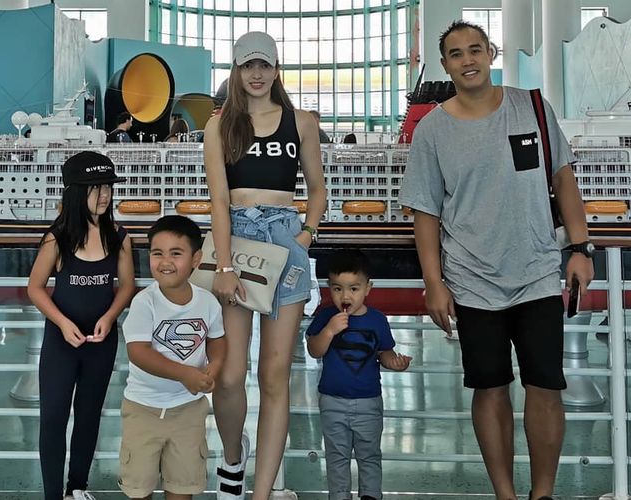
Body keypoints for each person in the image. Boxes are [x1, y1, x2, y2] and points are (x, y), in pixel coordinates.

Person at [398, 21, 594, 500]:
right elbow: (425, 212)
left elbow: (563, 178)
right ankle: (504, 494)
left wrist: (579, 248)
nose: (468, 60)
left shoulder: (532, 108)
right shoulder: (433, 130)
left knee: (545, 386)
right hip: (471, 280)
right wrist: (434, 283)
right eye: (456, 54)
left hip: (538, 272)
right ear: (445, 65)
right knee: (489, 388)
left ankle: (542, 494)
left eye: (475, 50)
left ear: (491, 53)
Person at [203, 31, 327, 500]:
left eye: (264, 65)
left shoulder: (301, 122)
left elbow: (317, 189)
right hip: (235, 241)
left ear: (276, 70)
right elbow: (218, 201)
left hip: (285, 241)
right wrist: (224, 265)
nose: (256, 74)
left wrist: (304, 236)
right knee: (230, 373)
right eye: (247, 66)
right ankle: (233, 456)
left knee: (275, 374)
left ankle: (261, 493)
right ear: (236, 71)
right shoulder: (220, 126)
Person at [27, 151, 135, 500]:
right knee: (53, 418)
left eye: (107, 187)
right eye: (95, 187)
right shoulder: (57, 237)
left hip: (101, 342)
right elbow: (35, 287)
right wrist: (61, 322)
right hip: (61, 342)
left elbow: (127, 286)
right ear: (75, 191)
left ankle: (77, 488)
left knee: (88, 417)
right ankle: (52, 495)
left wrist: (109, 316)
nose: (104, 195)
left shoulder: (119, 236)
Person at [118, 215, 227, 500]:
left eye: (176, 253)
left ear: (196, 259)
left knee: (183, 485)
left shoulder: (207, 302)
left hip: (189, 410)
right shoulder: (145, 302)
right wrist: (185, 374)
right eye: (157, 253)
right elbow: (138, 352)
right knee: (139, 487)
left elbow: (217, 340)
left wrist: (213, 368)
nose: (165, 262)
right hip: (143, 410)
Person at [306, 249, 412, 500]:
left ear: (367, 288)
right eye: (337, 289)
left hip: (369, 401)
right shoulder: (325, 317)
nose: (345, 296)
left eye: (354, 288)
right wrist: (329, 331)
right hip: (332, 400)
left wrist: (395, 363)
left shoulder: (377, 320)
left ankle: (371, 495)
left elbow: (384, 352)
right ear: (329, 288)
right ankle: (339, 495)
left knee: (370, 454)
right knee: (336, 456)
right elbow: (314, 350)